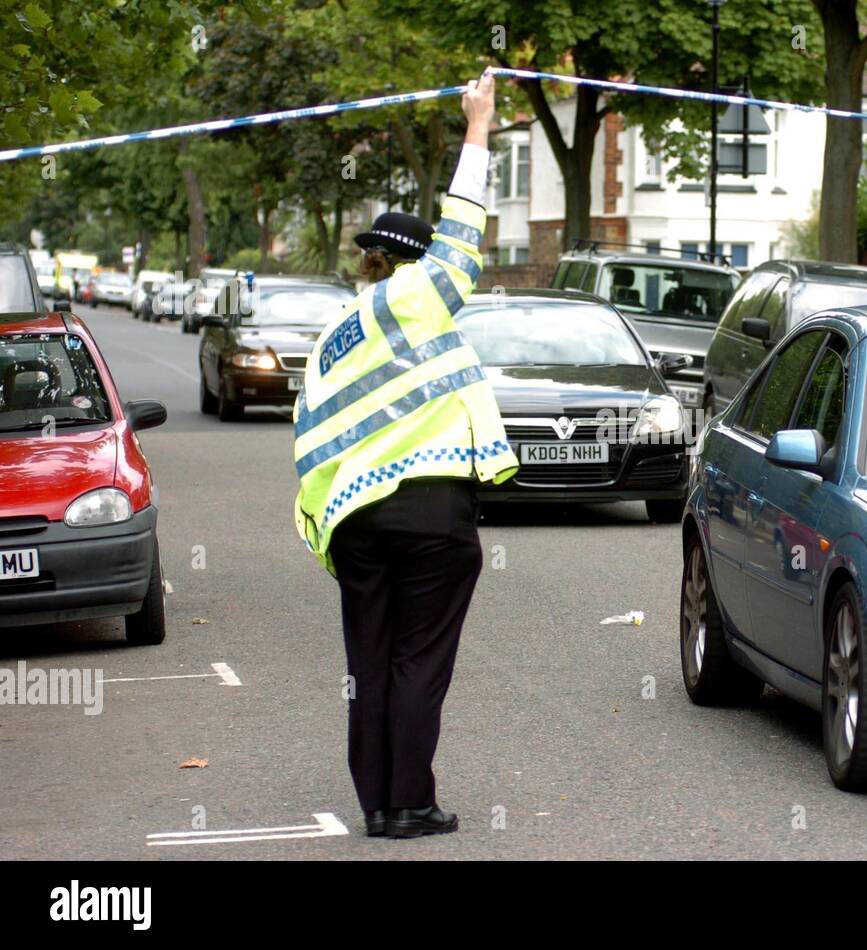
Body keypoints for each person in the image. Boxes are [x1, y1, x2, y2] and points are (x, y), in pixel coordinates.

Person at [292, 70, 518, 839]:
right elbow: (465, 224)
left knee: (370, 665)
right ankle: (410, 805)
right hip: (430, 514)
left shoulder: (333, 336)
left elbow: (311, 441)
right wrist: (478, 124)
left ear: (367, 263)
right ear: (415, 262)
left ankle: (377, 806)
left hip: (356, 519)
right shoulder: (420, 297)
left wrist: (325, 528)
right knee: (419, 661)